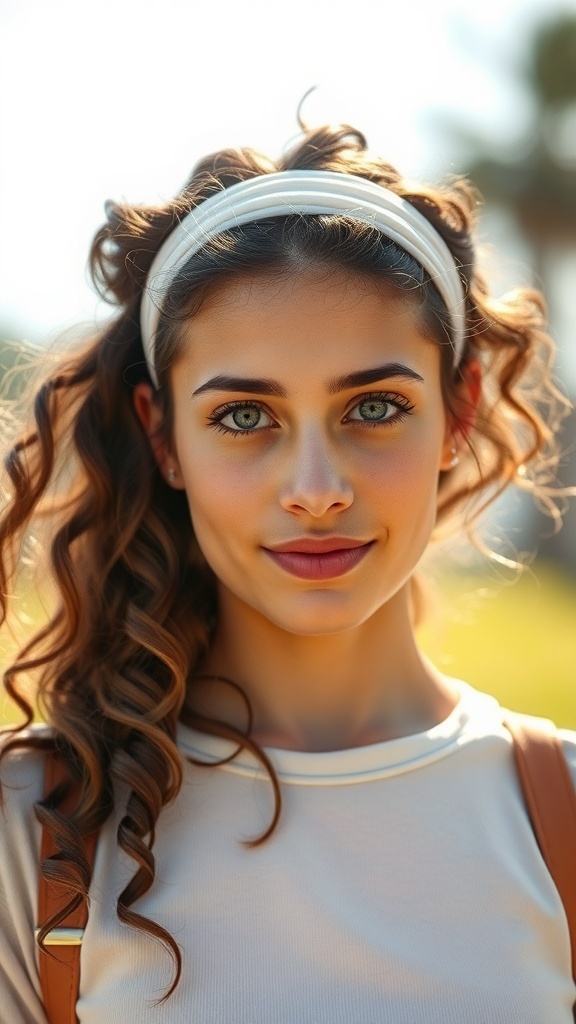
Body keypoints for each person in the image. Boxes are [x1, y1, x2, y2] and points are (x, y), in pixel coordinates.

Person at [0, 121, 574, 1024]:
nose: (315, 490)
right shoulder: (33, 830)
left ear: (457, 414)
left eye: (375, 407)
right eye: (242, 418)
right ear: (164, 435)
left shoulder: (563, 816)